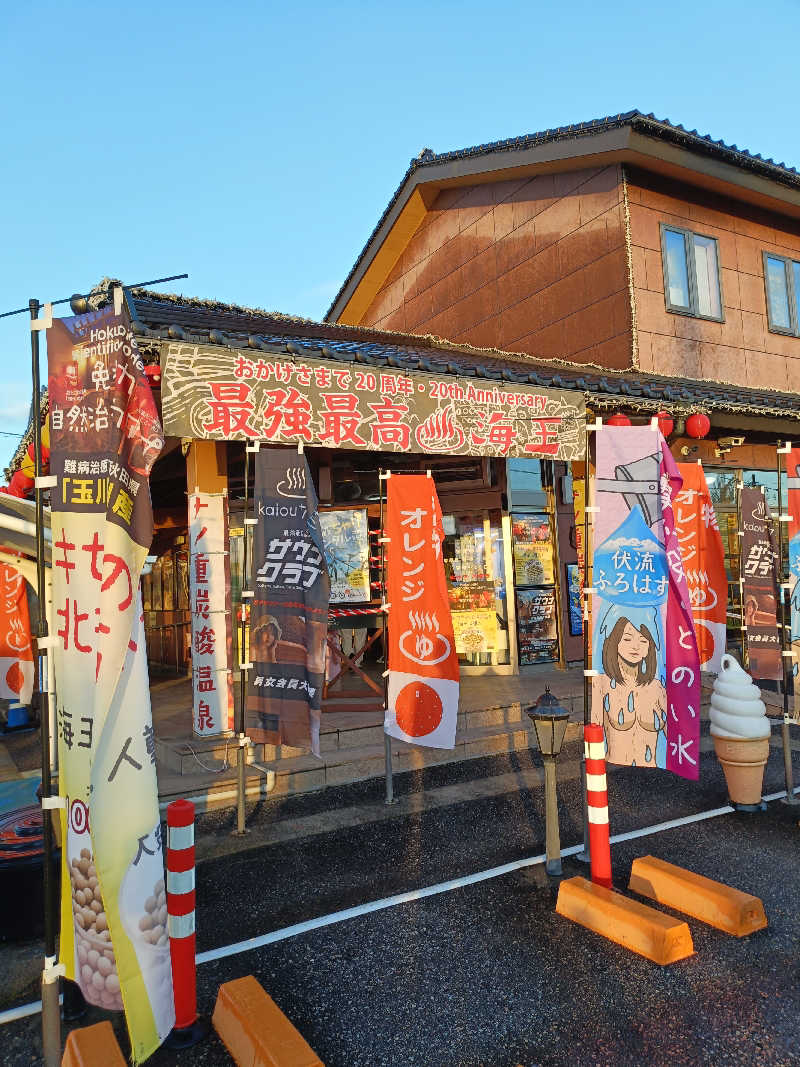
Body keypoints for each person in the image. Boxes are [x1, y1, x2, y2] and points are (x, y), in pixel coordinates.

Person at [594, 617, 666, 768]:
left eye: (643, 640)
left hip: (654, 774)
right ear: (615, 642)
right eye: (627, 639)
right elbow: (594, 732)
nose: (636, 646)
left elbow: (674, 738)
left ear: (649, 647)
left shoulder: (657, 687)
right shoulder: (601, 683)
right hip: (615, 772)